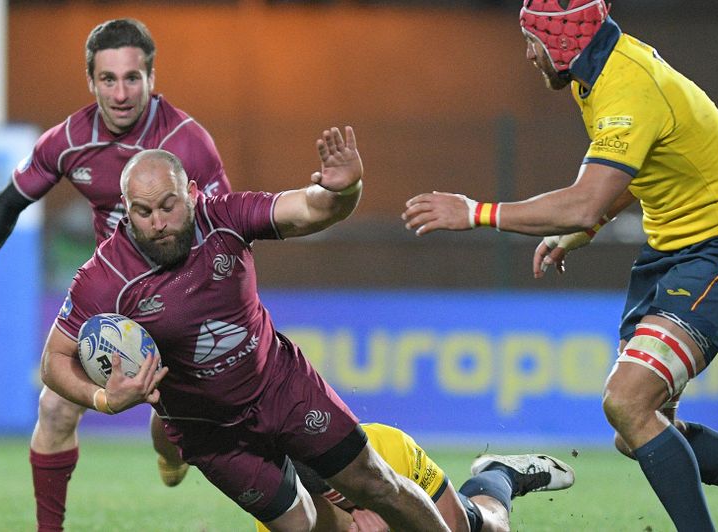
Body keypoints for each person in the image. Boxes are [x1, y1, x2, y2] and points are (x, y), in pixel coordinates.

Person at [402, 1, 718, 529]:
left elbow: (583, 200)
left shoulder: (627, 86)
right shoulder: (594, 79)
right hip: (672, 254)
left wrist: (475, 212)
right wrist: (587, 228)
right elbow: (628, 177)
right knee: (636, 429)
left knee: (627, 401)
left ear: (561, 41)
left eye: (532, 41)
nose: (528, 55)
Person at [41, 127, 454, 531]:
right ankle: (171, 455)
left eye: (168, 206)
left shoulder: (224, 216)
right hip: (208, 431)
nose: (159, 223)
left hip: (281, 387)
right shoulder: (105, 276)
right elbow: (53, 359)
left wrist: (345, 191)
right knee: (298, 522)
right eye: (143, 212)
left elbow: (311, 209)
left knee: (376, 484)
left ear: (191, 192)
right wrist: (102, 399)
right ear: (125, 210)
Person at [0, 18, 232, 531]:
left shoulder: (188, 143)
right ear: (91, 81)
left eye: (132, 78)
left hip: (184, 297)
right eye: (108, 79)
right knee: (55, 409)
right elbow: (9, 201)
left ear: (151, 78)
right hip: (115, 297)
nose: (120, 94)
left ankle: (172, 448)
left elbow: (226, 231)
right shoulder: (70, 141)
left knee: (175, 432)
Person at [252, 422, 575, 532]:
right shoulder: (279, 508)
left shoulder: (387, 450)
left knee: (485, 528)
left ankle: (501, 474)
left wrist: (385, 510)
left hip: (390, 471)